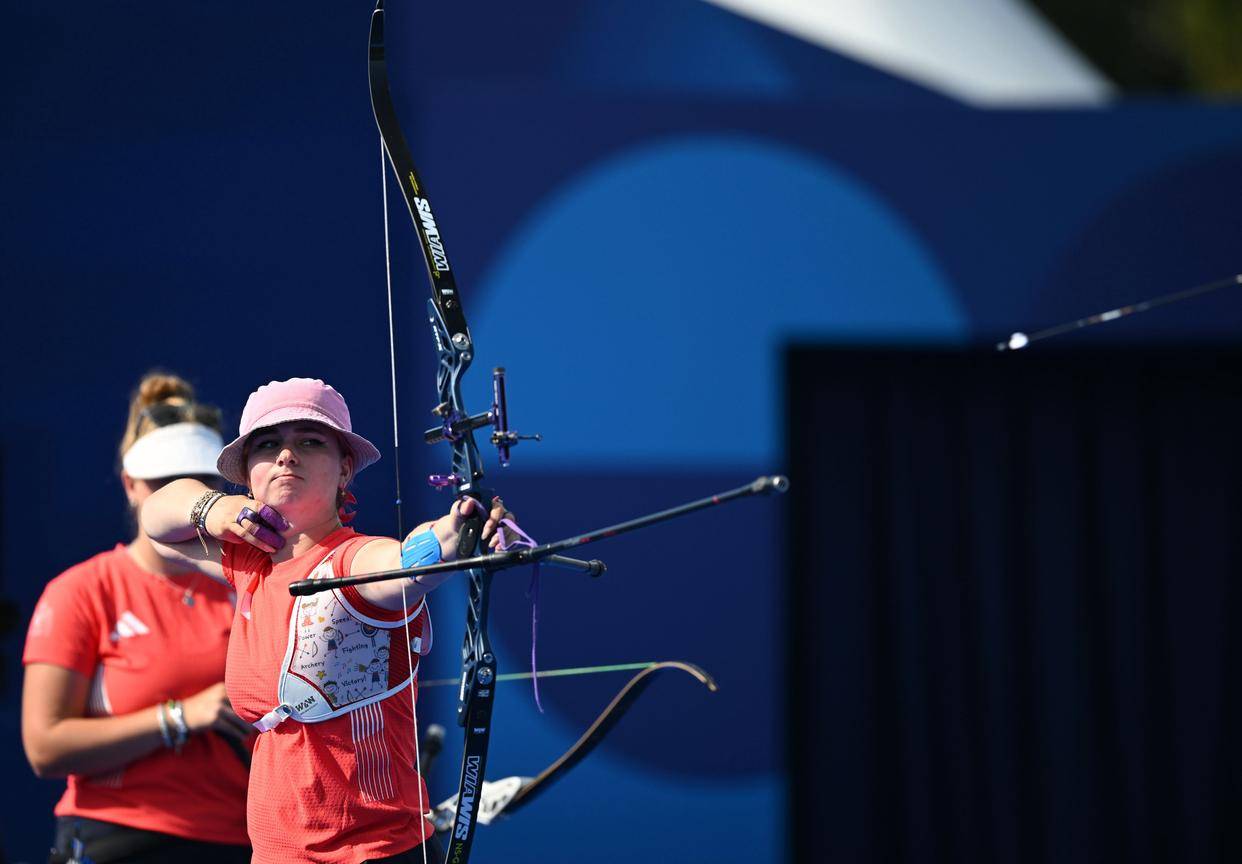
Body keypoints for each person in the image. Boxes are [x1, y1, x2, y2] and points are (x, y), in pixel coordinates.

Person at [138, 377, 514, 863]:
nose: (286, 456)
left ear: (345, 470)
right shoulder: (247, 561)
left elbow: (407, 563)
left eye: (309, 442)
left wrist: (457, 531)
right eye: (269, 444)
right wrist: (216, 508)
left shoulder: (354, 561)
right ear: (248, 474)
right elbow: (157, 521)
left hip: (373, 852)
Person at [22, 372, 253, 863]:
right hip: (119, 836)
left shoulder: (248, 586)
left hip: (241, 839)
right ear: (130, 485)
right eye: (162, 482)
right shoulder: (81, 591)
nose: (181, 496)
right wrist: (178, 717)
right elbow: (44, 747)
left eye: (200, 482)